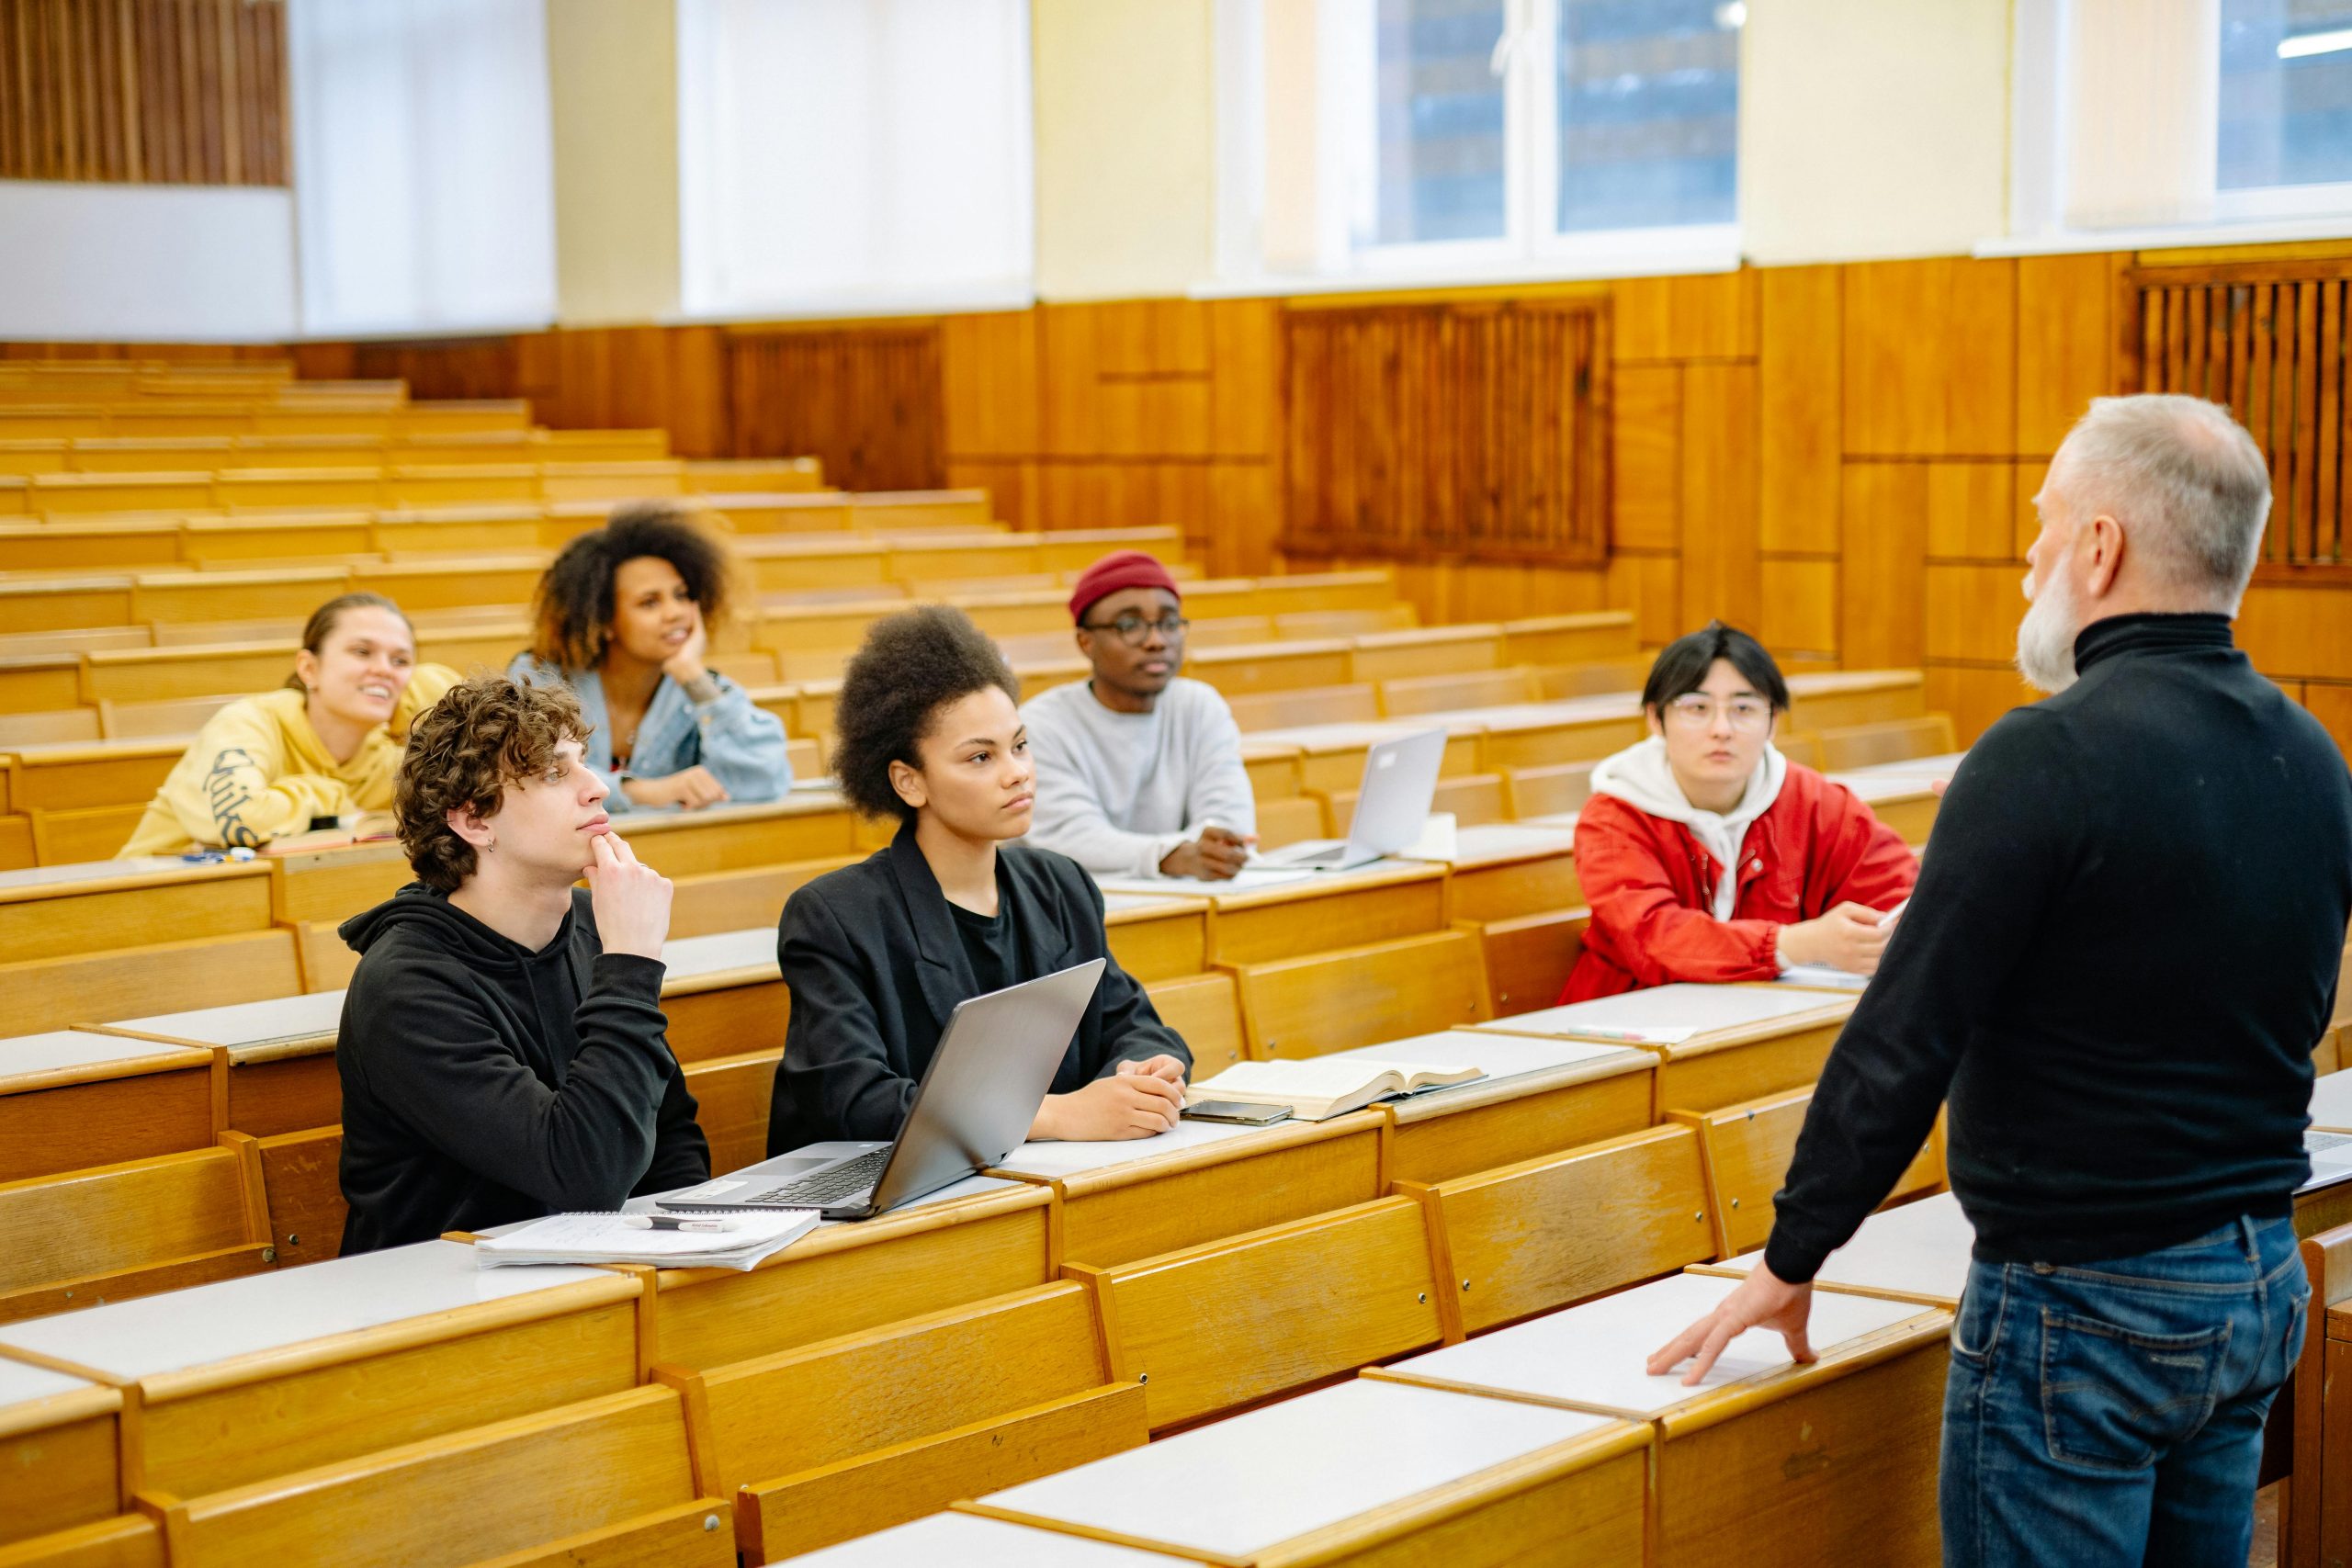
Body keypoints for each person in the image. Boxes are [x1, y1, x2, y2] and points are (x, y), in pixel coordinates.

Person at [1651, 395, 2352, 1566]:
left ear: (2098, 546)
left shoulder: (2044, 754)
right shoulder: (2311, 750)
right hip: (2255, 1274)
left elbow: (1901, 1038)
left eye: (2044, 523)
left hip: (2084, 1310)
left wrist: (1789, 1258)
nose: (2029, 554)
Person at [767, 604, 1193, 1156]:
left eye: (1019, 745)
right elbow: (852, 1098)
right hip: (892, 1205)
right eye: (980, 758)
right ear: (909, 782)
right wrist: (1059, 1114)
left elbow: (1132, 1021)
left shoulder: (1060, 885)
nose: (1017, 771)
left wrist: (1143, 1073)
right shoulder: (835, 915)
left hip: (1047, 1173)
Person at [334, 675, 709, 1253]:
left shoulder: (593, 922)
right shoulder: (405, 987)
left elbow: (669, 1131)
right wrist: (631, 965)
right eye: (556, 773)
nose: (598, 788)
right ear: (474, 821)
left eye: (584, 763)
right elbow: (584, 1173)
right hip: (443, 1299)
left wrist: (696, 1248)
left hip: (594, 1265)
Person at [1560, 621, 1917, 1000]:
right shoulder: (1615, 817)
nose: (1722, 729)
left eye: (1744, 708)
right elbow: (1653, 937)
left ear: (1773, 721)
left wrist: (1873, 939)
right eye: (1696, 707)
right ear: (1655, 718)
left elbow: (1896, 894)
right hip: (1631, 1017)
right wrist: (1793, 944)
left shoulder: (1815, 802)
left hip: (1768, 1013)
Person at [121, 592, 459, 856]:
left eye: (400, 660)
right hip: (143, 894)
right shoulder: (250, 722)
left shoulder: (386, 760)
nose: (384, 669)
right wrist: (328, 796)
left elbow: (466, 748)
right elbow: (238, 820)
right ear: (309, 668)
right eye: (361, 652)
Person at [509, 502, 791, 813]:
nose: (676, 613)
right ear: (603, 621)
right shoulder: (538, 680)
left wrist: (692, 676)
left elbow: (767, 779)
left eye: (682, 596)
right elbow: (526, 775)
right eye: (649, 602)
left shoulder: (699, 688)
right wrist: (640, 791)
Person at [1021, 549, 1257, 880]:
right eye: (1129, 625)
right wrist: (1172, 856)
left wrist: (1208, 853)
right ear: (1086, 642)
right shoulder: (1042, 725)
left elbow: (1229, 820)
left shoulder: (1200, 706)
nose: (1157, 641)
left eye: (1170, 622)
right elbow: (1071, 837)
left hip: (1190, 898)